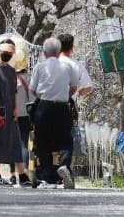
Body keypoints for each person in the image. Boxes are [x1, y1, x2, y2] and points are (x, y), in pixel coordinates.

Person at [30, 37, 78, 187]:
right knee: (66, 141)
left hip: (44, 108)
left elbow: (32, 89)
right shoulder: (68, 67)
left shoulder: (39, 67)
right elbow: (74, 87)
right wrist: (64, 96)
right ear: (59, 52)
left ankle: (49, 177)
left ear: (44, 53)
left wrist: (45, 96)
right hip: (62, 108)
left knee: (42, 141)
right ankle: (64, 165)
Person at [0, 38, 31, 187]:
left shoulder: (12, 71)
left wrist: (16, 108)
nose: (7, 55)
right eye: (4, 52)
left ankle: (22, 176)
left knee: (16, 143)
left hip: (11, 112)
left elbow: (15, 92)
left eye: (10, 53)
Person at [57, 33, 94, 185]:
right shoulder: (76, 65)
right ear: (72, 48)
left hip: (48, 104)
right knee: (67, 140)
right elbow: (88, 87)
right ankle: (64, 167)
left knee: (47, 138)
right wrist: (77, 93)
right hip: (67, 105)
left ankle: (47, 172)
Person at [14, 67, 33, 171]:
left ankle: (13, 173)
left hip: (13, 115)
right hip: (27, 115)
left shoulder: (12, 80)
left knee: (13, 144)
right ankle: (25, 169)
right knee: (24, 143)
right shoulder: (31, 78)